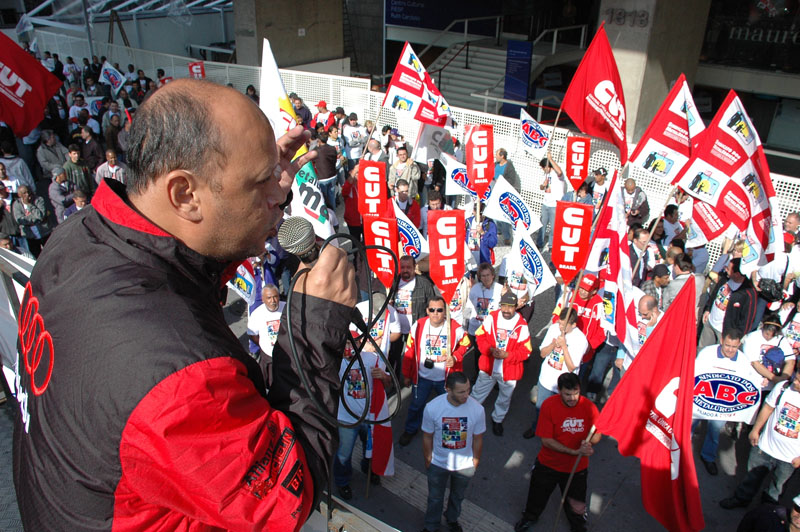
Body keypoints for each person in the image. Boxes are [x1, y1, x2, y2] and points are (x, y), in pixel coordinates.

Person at [13, 79, 357, 531]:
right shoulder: (179, 379)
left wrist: (245, 187)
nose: (281, 196)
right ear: (186, 195)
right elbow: (285, 499)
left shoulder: (76, 239)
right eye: (261, 184)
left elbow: (178, 270)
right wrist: (315, 326)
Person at [515, 373, 601, 532]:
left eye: (576, 393)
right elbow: (546, 440)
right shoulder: (548, 406)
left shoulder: (590, 407)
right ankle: (530, 517)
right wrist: (574, 451)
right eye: (568, 394)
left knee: (577, 503)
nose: (572, 398)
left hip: (577, 468)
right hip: (548, 464)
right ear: (560, 391)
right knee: (537, 496)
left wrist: (589, 443)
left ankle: (577, 525)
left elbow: (597, 433)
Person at [333, 297, 392, 500]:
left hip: (369, 417)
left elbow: (389, 385)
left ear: (360, 342)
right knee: (343, 453)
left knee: (371, 448)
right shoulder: (335, 363)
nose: (350, 346)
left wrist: (383, 377)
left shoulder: (371, 359)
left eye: (354, 342)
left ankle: (370, 469)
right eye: (346, 343)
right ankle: (342, 482)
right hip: (346, 419)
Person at [720, 371, 800, 510]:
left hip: (789, 457)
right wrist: (756, 430)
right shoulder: (783, 387)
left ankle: (767, 511)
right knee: (751, 477)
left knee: (777, 487)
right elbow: (768, 408)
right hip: (764, 447)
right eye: (796, 378)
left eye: (799, 382)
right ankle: (741, 499)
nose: (795, 382)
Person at [399, 296, 470, 446]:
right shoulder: (418, 326)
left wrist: (455, 357)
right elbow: (409, 351)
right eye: (432, 310)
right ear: (427, 310)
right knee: (416, 406)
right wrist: (406, 374)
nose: (436, 313)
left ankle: (450, 435)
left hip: (445, 380)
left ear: (445, 311)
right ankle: (410, 429)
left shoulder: (454, 327)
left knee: (450, 407)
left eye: (439, 310)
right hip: (422, 377)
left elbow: (466, 344)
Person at [421, 372, 484, 532]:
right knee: (435, 498)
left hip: (464, 465)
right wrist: (429, 458)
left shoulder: (477, 409)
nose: (466, 395)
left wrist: (475, 461)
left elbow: (478, 438)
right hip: (438, 463)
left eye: (468, 390)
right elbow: (427, 436)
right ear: (448, 389)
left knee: (458, 497)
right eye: (461, 392)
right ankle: (431, 525)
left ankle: (452, 519)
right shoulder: (433, 408)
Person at [692, 329, 758, 475]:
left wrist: (761, 382)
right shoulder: (707, 353)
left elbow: (749, 381)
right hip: (699, 400)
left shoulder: (743, 360)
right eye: (727, 345)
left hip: (722, 405)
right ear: (721, 341)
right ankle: (679, 453)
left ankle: (708, 457)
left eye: (734, 347)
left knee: (714, 432)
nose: (730, 350)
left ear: (739, 344)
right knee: (688, 426)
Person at [471, 292, 532, 436]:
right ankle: (470, 416)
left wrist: (508, 356)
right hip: (488, 366)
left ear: (516, 307)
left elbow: (526, 351)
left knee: (504, 398)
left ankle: (497, 419)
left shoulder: (522, 325)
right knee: (477, 393)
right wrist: (489, 350)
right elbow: (480, 336)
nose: (506, 309)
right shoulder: (491, 317)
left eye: (510, 307)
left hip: (509, 370)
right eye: (504, 305)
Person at [700, 258, 758, 349]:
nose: (725, 269)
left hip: (725, 333)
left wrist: (735, 336)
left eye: (728, 268)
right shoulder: (725, 279)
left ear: (737, 274)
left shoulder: (748, 293)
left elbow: (747, 320)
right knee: (702, 349)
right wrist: (708, 309)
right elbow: (715, 293)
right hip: (710, 323)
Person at [538, 153, 565, 251]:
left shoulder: (557, 175)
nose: (542, 169)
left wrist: (551, 159)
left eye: (543, 167)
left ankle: (551, 245)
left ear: (547, 166)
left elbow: (560, 172)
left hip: (555, 204)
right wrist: (543, 185)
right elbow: (541, 187)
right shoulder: (545, 175)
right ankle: (539, 243)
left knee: (554, 227)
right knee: (542, 225)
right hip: (545, 203)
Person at [465, 201, 497, 268]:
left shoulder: (489, 224)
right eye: (479, 214)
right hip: (469, 262)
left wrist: (483, 233)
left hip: (484, 262)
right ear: (474, 211)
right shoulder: (467, 223)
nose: (481, 216)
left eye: (482, 214)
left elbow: (492, 243)